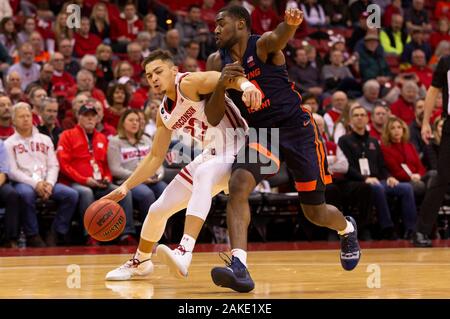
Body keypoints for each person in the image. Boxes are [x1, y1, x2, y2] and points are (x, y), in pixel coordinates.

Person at [205, 6, 361, 293]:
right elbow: (213, 116)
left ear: (240, 24)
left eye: (220, 23)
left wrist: (289, 26)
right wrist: (220, 85)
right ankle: (239, 266)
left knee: (314, 212)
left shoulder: (261, 45)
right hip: (263, 134)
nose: (215, 30)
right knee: (238, 184)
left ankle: (346, 228)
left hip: (297, 130)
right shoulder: (218, 61)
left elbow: (277, 38)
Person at [103, 49, 261, 281]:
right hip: (214, 153)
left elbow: (227, 77)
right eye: (149, 75)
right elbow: (155, 157)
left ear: (174, 70)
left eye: (158, 71)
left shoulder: (189, 83)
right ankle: (141, 261)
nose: (154, 78)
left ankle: (185, 250)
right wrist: (126, 186)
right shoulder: (164, 113)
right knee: (157, 210)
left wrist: (248, 87)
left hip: (241, 147)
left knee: (204, 174)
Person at [5, 102, 79, 247]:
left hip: (47, 181)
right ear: (13, 121)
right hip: (24, 182)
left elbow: (53, 165)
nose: (26, 119)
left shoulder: (45, 139)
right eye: (21, 117)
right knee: (26, 194)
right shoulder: (9, 143)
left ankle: (56, 232)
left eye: (28, 116)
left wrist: (49, 184)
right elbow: (13, 172)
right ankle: (32, 235)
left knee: (71, 194)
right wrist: (36, 184)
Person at [413, 54, 450, 247]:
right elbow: (433, 91)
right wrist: (426, 122)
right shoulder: (446, 61)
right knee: (442, 178)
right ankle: (421, 231)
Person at [107, 109, 167, 220]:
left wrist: (158, 175)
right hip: (128, 181)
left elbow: (158, 160)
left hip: (150, 179)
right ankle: (147, 230)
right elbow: (115, 169)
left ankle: (165, 228)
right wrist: (140, 177)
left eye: (137, 120)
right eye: (131, 120)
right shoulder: (115, 142)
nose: (135, 123)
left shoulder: (146, 139)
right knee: (146, 195)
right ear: (122, 123)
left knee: (164, 189)